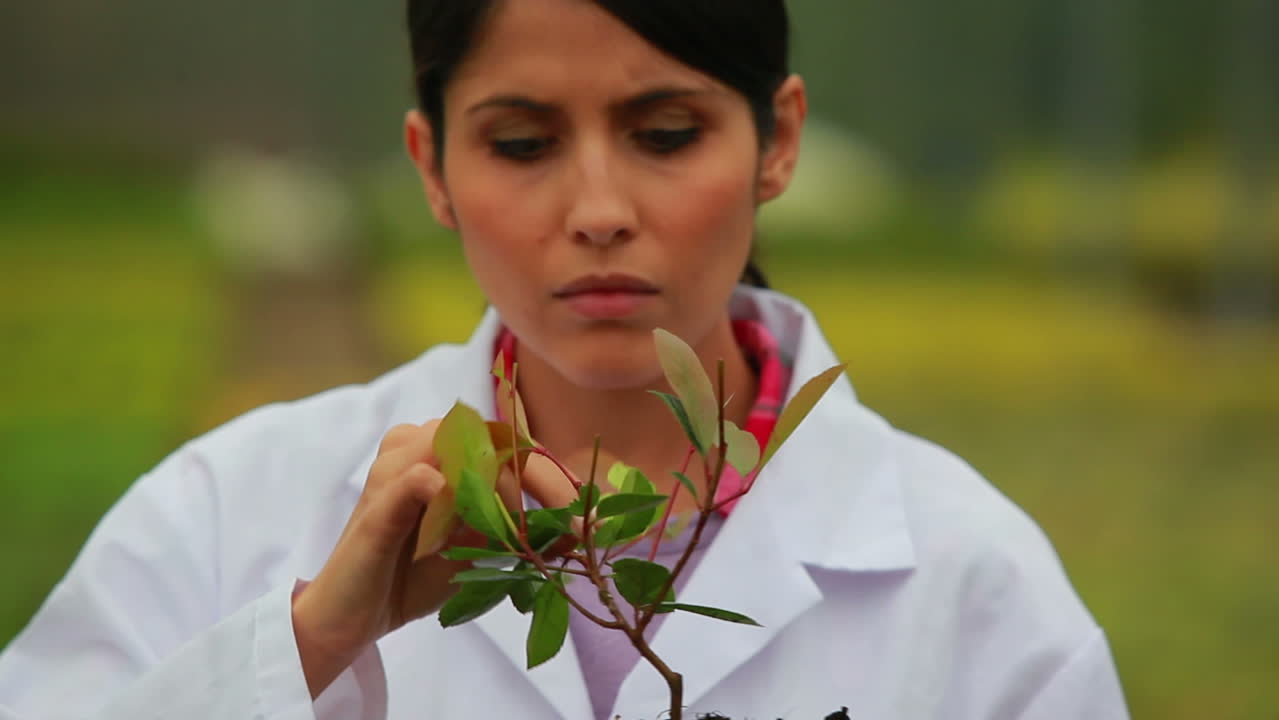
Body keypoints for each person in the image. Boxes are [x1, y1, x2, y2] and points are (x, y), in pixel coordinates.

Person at [0, 1, 1131, 718]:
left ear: (776, 141)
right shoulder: (221, 516)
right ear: (431, 164)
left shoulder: (973, 584)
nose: (597, 209)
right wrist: (306, 650)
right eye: (523, 142)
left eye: (666, 132)